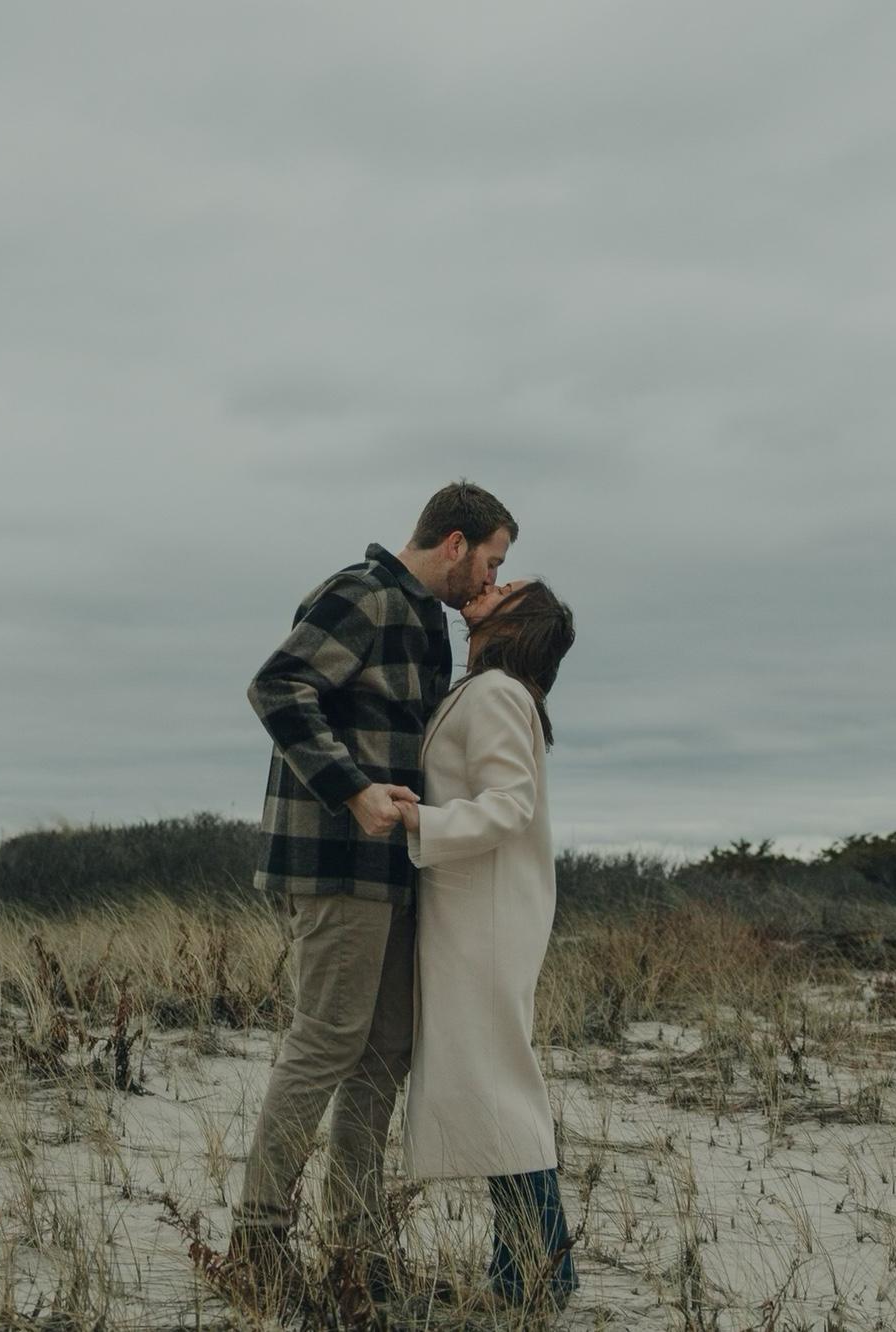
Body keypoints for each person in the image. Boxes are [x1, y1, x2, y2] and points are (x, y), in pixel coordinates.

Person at [227, 481, 518, 1306]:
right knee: (326, 1041)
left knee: (385, 1051)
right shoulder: (365, 594)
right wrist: (353, 789)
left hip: (394, 870)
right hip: (334, 862)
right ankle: (256, 1247)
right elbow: (277, 686)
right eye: (491, 560)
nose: (491, 577)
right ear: (455, 542)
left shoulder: (426, 620)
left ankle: (356, 1251)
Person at [392, 576, 578, 1310]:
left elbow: (509, 805)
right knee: (497, 1085)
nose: (492, 583)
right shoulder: (484, 689)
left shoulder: (497, 693)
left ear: (517, 621)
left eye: (509, 586)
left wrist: (420, 821)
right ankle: (522, 1269)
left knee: (501, 1086)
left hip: (488, 919)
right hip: (474, 913)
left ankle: (541, 1276)